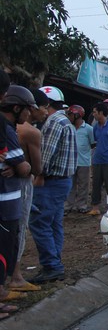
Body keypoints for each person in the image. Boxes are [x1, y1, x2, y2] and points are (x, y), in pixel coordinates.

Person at [29, 86, 77, 284]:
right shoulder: (64, 120)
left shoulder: (53, 122)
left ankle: (52, 265)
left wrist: (37, 173)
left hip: (51, 181)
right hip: (62, 181)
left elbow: (45, 156)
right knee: (53, 223)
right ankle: (54, 262)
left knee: (39, 222)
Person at [10, 88, 50, 292]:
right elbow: (36, 168)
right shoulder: (31, 132)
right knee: (19, 227)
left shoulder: (8, 128)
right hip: (21, 183)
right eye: (43, 107)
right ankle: (15, 276)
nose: (45, 111)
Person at [0, 86, 36, 308]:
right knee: (5, 246)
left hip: (8, 198)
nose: (29, 115)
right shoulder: (6, 129)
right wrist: (23, 166)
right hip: (6, 200)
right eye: (28, 109)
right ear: (16, 107)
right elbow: (24, 167)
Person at [87, 102, 108, 216]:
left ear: (101, 113)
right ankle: (95, 207)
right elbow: (95, 141)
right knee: (96, 184)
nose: (94, 114)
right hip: (97, 159)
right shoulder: (96, 127)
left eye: (95, 112)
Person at [65, 105, 95, 214]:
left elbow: (93, 144)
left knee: (83, 185)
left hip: (84, 162)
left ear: (78, 115)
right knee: (70, 185)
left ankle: (81, 205)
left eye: (71, 114)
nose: (69, 116)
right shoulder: (68, 127)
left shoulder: (88, 129)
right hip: (70, 162)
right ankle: (68, 206)